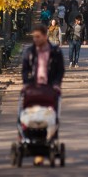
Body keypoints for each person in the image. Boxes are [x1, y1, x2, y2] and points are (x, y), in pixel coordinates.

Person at [21, 24, 65, 166]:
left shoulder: (55, 51)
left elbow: (60, 70)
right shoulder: (30, 51)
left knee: (50, 116)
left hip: (50, 89)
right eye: (34, 36)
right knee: (30, 114)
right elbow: (25, 69)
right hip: (33, 88)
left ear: (45, 36)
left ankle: (49, 141)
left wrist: (57, 83)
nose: (35, 39)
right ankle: (25, 139)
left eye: (38, 36)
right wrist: (26, 82)